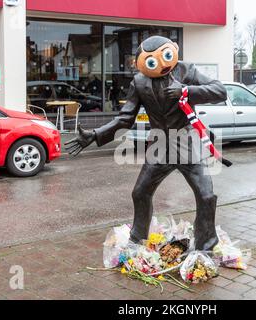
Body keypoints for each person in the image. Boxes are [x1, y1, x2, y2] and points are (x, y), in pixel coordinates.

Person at [65, 36, 227, 251]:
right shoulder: (139, 82)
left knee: (206, 195)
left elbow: (219, 91)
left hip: (188, 143)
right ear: (141, 63)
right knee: (140, 193)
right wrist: (96, 135)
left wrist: (186, 91)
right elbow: (125, 119)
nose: (161, 64)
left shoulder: (187, 70)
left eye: (165, 57)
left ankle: (206, 246)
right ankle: (137, 239)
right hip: (160, 146)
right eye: (152, 62)